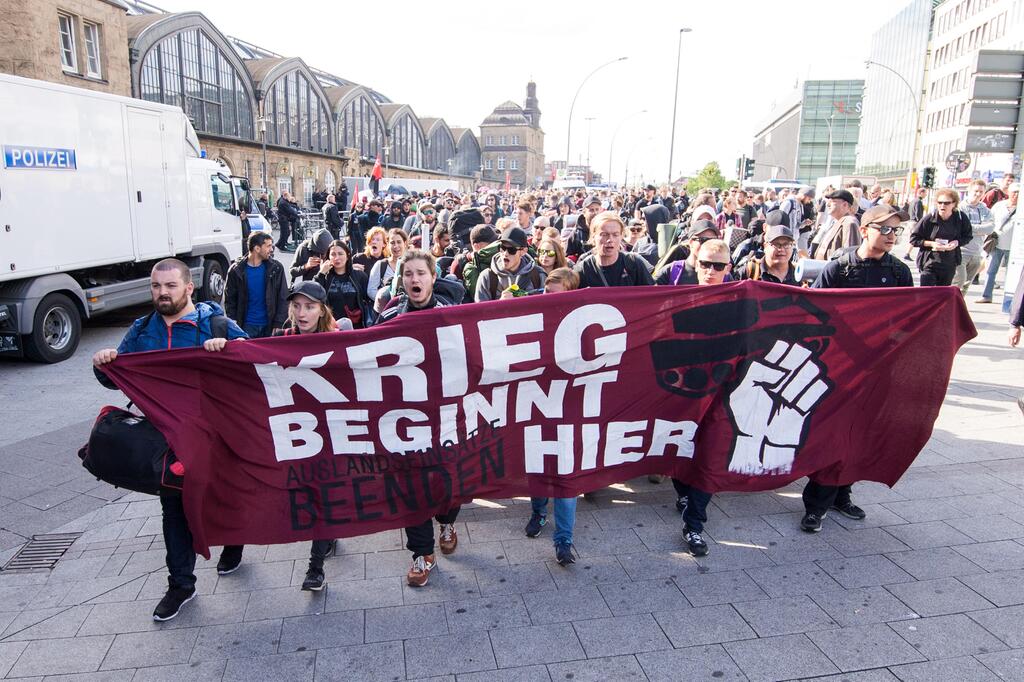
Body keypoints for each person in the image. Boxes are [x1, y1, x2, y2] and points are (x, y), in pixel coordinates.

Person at [92, 259, 248, 621]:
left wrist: (229, 347)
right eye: (156, 286)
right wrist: (104, 364)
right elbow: (117, 377)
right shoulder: (142, 329)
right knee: (174, 507)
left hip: (215, 432)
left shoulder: (214, 322)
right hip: (167, 438)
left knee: (224, 494)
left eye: (170, 286)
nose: (162, 293)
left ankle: (234, 538)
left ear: (188, 288)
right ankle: (181, 584)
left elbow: (252, 359)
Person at [801, 204, 914, 533]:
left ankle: (842, 494)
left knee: (860, 435)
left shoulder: (899, 272)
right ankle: (816, 504)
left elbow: (908, 318)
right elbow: (814, 312)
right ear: (865, 230)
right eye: (886, 229)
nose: (892, 236)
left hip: (877, 368)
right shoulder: (839, 268)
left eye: (897, 231)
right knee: (832, 435)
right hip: (839, 368)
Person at [377, 250, 462, 587]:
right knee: (411, 487)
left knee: (449, 482)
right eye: (408, 274)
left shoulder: (453, 315)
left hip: (447, 414)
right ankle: (422, 554)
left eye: (421, 273)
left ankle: (447, 520)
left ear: (432, 277)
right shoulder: (389, 317)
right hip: (404, 418)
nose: (415, 279)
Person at [272, 280, 343, 591]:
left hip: (330, 431)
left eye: (310, 306)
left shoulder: (338, 342)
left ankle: (315, 568)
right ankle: (327, 534)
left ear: (322, 310)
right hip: (294, 431)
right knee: (304, 492)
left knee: (321, 492)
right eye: (297, 306)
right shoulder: (279, 339)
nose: (302, 313)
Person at [670, 238, 732, 556]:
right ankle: (683, 492)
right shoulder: (678, 298)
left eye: (717, 265)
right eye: (705, 263)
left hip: (723, 397)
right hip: (682, 394)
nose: (710, 270)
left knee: (710, 460)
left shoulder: (741, 300)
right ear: (696, 262)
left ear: (728, 268)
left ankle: (694, 525)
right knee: (677, 453)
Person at [525, 267, 582, 566]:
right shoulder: (532, 317)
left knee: (565, 477)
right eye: (546, 292)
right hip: (536, 405)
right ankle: (538, 512)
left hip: (569, 409)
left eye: (555, 295)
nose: (547, 299)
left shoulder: (581, 329)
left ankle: (564, 541)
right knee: (537, 466)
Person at [224, 232, 288, 338]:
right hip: (246, 327)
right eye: (268, 246)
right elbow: (230, 299)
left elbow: (283, 297)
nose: (272, 249)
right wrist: (233, 322)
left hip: (270, 326)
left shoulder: (276, 268)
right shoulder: (236, 270)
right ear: (257, 249)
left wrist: (279, 322)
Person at [909, 187, 972, 287]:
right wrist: (932, 243)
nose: (942, 205)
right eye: (939, 202)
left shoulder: (960, 218)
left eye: (946, 203)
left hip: (949, 263)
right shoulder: (929, 218)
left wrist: (957, 242)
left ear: (954, 204)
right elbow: (914, 239)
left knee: (942, 295)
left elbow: (968, 236)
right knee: (926, 295)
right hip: (929, 262)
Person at [574, 212, 655, 288]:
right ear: (593, 237)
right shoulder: (583, 270)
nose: (610, 240)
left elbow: (651, 295)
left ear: (621, 236)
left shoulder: (634, 264)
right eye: (604, 235)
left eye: (615, 235)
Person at [475, 226, 546, 301]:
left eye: (511, 250)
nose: (505, 253)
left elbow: (546, 306)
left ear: (523, 251)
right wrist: (500, 304)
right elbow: (481, 311)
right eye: (503, 247)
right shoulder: (486, 277)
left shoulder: (538, 275)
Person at [315, 240, 370, 329]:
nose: (337, 258)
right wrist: (321, 273)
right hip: (332, 326)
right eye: (333, 254)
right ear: (328, 257)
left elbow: (368, 299)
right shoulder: (325, 277)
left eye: (340, 254)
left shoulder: (359, 276)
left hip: (357, 326)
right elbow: (313, 294)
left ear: (348, 255)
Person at [980, 182, 1019, 303]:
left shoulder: (1022, 208)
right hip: (997, 244)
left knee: (1011, 275)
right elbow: (990, 220)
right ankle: (986, 296)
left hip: (1014, 247)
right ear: (1009, 193)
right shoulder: (999, 205)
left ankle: (1009, 300)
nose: (1016, 195)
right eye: (1014, 192)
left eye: (1019, 193)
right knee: (991, 271)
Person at [956, 179, 994, 295]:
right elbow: (960, 226)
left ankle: (959, 309)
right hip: (961, 251)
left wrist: (970, 228)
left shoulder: (986, 211)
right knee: (958, 283)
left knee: (966, 286)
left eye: (981, 192)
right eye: (976, 191)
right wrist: (979, 229)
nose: (978, 194)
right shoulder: (960, 208)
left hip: (977, 252)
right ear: (969, 190)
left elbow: (990, 228)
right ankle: (950, 308)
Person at [655, 220, 720, 286]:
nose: (708, 245)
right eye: (703, 240)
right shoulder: (669, 272)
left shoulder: (723, 274)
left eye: (713, 241)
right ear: (691, 242)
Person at [812, 189, 860, 261]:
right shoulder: (837, 221)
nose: (827, 205)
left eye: (832, 202)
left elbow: (850, 254)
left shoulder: (849, 222)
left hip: (834, 269)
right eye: (828, 201)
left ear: (845, 205)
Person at [367, 228, 408, 302]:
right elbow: (371, 290)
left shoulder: (411, 264)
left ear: (404, 243)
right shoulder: (380, 265)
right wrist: (386, 301)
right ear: (388, 245)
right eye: (392, 243)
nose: (396, 246)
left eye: (399, 242)